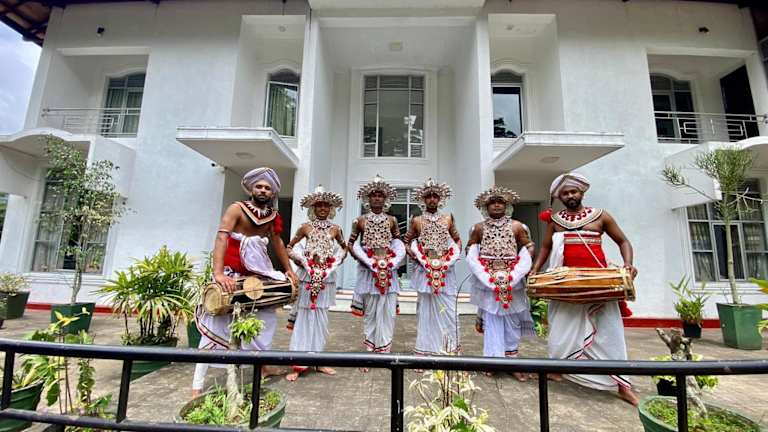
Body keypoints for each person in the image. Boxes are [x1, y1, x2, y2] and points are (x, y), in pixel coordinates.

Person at [530, 172, 639, 405]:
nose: (570, 196)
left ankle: (622, 384)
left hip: (598, 284)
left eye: (574, 191)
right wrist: (535, 269)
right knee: (561, 330)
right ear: (560, 197)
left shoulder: (601, 216)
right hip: (565, 284)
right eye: (565, 193)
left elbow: (623, 241)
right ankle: (558, 369)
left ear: (582, 193)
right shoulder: (555, 221)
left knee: (609, 333)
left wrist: (628, 264)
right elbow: (546, 247)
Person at [191, 167, 297, 397]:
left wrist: (289, 269)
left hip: (258, 275)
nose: (263, 190)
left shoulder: (273, 216)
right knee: (215, 324)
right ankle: (197, 384)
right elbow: (222, 237)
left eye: (267, 188)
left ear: (273, 193)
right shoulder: (236, 208)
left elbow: (278, 243)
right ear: (251, 189)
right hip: (231, 274)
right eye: (259, 186)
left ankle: (263, 365)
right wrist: (219, 274)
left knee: (266, 319)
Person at [466, 186, 535, 381]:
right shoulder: (478, 228)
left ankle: (512, 362)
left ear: (507, 206)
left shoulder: (517, 226)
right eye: (492, 202)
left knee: (512, 320)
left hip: (513, 280)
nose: (496, 205)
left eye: (500, 202)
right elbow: (470, 250)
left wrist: (518, 271)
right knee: (491, 318)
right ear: (485, 207)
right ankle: (492, 361)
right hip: (487, 280)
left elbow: (529, 247)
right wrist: (483, 274)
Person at [284, 185, 347, 381]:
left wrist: (334, 264)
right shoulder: (305, 227)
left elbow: (344, 249)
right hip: (307, 277)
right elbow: (289, 247)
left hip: (326, 279)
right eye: (319, 205)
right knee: (304, 318)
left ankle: (318, 360)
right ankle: (298, 363)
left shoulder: (336, 229)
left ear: (331, 208)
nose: (323, 209)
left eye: (326, 206)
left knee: (321, 319)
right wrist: (301, 261)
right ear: (313, 208)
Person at [348, 175, 406, 369]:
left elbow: (398, 243)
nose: (377, 198)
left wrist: (392, 262)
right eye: (374, 195)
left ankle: (385, 351)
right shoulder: (360, 220)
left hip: (388, 270)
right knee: (371, 311)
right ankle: (370, 349)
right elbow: (351, 244)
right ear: (368, 198)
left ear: (385, 199)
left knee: (387, 311)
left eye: (381, 195)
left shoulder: (392, 220)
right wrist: (367, 261)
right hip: (368, 272)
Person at [404, 178, 462, 356]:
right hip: (425, 271)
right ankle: (425, 350)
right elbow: (407, 242)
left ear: (440, 199)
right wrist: (416, 255)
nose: (432, 199)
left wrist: (450, 259)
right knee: (426, 311)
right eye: (428, 196)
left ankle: (449, 350)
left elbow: (457, 240)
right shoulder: (416, 220)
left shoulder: (448, 218)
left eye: (435, 196)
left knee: (448, 310)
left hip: (445, 270)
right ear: (423, 199)